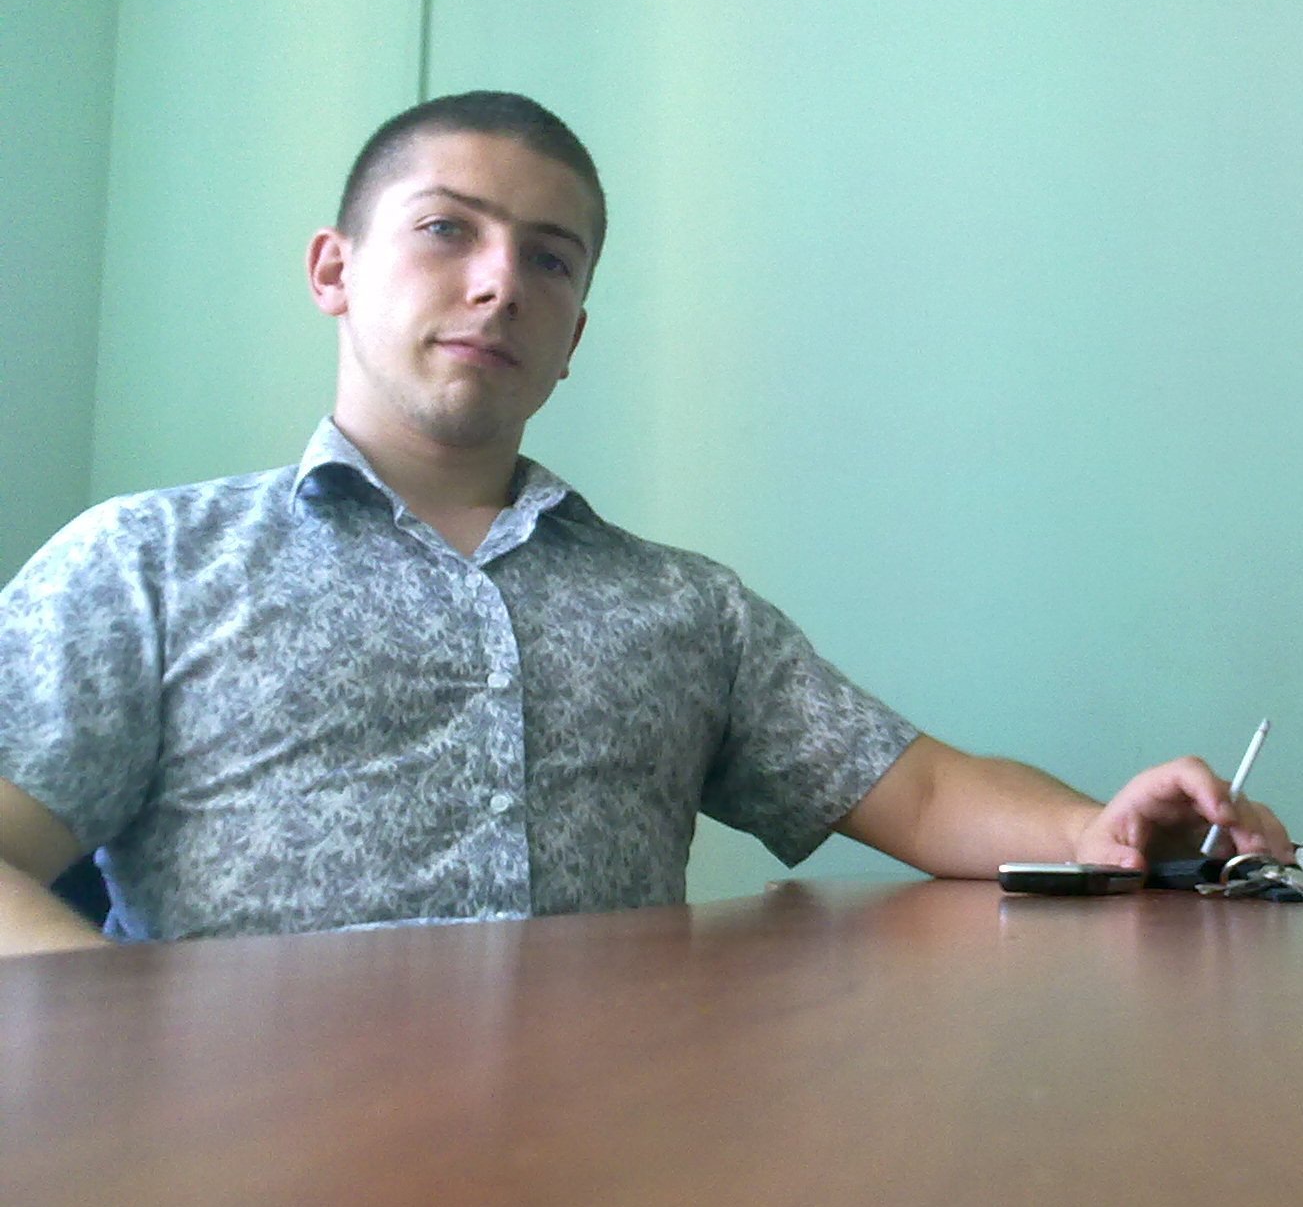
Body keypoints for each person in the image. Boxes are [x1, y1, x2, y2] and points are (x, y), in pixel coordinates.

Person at [0, 92, 1290, 956]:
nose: (500, 282)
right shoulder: (144, 564)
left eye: (550, 259)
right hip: (244, 1173)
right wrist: (134, 1043)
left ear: (574, 333)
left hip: (612, 1167)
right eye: (447, 230)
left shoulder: (684, 607)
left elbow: (923, 789)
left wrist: (1097, 834)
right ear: (335, 269)